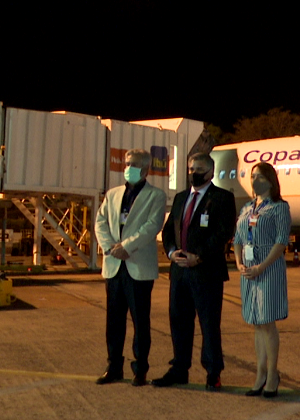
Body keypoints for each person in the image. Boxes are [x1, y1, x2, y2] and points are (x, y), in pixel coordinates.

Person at [152, 153, 235, 391]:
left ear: (210, 172)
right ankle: (179, 368)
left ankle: (213, 372)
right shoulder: (181, 198)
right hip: (179, 271)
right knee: (179, 322)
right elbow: (169, 230)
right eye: (190, 169)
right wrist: (171, 252)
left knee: (209, 324)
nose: (193, 173)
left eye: (198, 169)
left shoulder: (222, 198)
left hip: (206, 272)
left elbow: (223, 232)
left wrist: (199, 256)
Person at [93, 148, 167, 386]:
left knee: (140, 322)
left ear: (145, 169)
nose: (127, 168)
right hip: (114, 265)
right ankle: (114, 366)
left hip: (138, 266)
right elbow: (100, 222)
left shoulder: (156, 196)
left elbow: (152, 225)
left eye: (132, 164)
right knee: (114, 321)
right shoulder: (113, 194)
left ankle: (140, 368)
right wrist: (109, 246)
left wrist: (126, 246)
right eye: (126, 163)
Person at [232, 162, 291, 398]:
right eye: (253, 176)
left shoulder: (279, 207)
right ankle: (260, 373)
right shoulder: (247, 207)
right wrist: (239, 263)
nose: (255, 180)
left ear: (271, 181)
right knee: (256, 323)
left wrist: (262, 266)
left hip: (268, 268)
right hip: (248, 269)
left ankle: (272, 374)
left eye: (260, 177)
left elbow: (281, 240)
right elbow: (238, 238)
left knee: (267, 322)